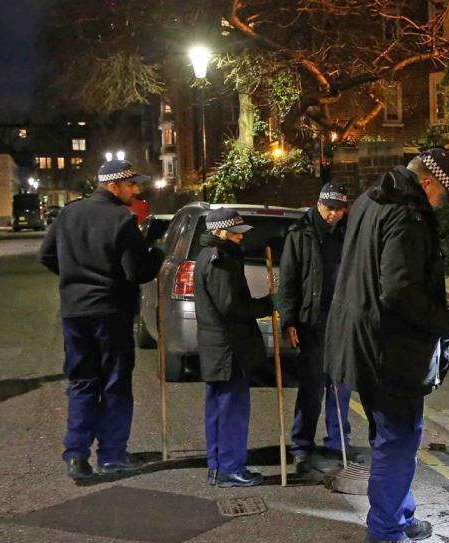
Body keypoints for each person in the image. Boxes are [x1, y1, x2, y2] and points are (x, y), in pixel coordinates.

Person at [325, 149, 449, 543]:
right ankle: (385, 532)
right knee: (400, 436)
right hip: (387, 348)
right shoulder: (407, 217)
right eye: (441, 197)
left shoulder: (370, 201)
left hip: (361, 339)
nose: (439, 205)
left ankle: (398, 512)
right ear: (428, 183)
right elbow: (400, 290)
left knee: (387, 433)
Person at [39, 159, 164, 479]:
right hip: (111, 312)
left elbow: (46, 256)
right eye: (131, 184)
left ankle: (76, 455)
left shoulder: (69, 213)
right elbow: (137, 271)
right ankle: (111, 454)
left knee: (81, 382)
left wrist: (73, 279)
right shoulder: (122, 220)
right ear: (113, 186)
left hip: (74, 311)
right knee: (115, 383)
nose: (136, 191)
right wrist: (157, 255)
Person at [277, 183, 358, 473]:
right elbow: (288, 279)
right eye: (328, 208)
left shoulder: (349, 233)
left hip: (342, 318)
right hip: (313, 318)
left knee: (341, 381)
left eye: (338, 209)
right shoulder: (300, 233)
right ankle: (302, 443)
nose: (332, 215)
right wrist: (288, 319)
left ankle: (338, 441)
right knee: (312, 384)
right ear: (318, 203)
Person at [194, 209, 274, 488]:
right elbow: (231, 306)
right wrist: (266, 304)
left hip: (220, 347)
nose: (241, 237)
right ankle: (229, 467)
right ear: (219, 232)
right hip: (228, 347)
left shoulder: (214, 256)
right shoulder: (220, 260)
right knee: (231, 410)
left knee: (219, 408)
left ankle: (219, 466)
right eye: (236, 232)